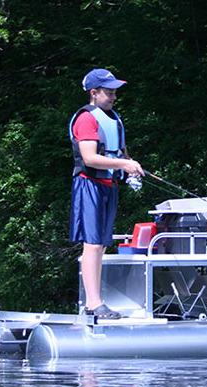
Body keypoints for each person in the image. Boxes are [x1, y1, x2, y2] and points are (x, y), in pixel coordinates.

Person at [69, 68, 144, 319]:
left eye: (114, 92)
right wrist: (123, 165)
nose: (113, 96)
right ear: (94, 93)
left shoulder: (114, 119)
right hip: (89, 185)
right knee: (91, 244)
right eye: (109, 91)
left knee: (101, 245)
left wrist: (131, 167)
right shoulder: (86, 118)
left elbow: (121, 154)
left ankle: (96, 302)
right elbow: (90, 157)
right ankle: (93, 304)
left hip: (108, 186)